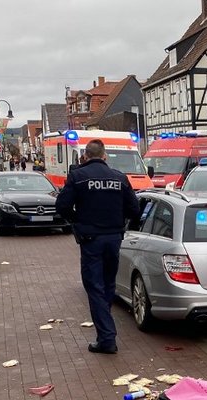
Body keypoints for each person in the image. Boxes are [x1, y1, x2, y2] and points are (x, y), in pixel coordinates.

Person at [56, 139, 139, 354]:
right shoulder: (120, 178)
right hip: (114, 238)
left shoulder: (78, 176)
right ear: (104, 156)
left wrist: (78, 220)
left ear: (85, 156)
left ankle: (106, 339)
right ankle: (105, 329)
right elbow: (134, 209)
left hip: (91, 239)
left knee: (94, 287)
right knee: (108, 284)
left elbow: (62, 206)